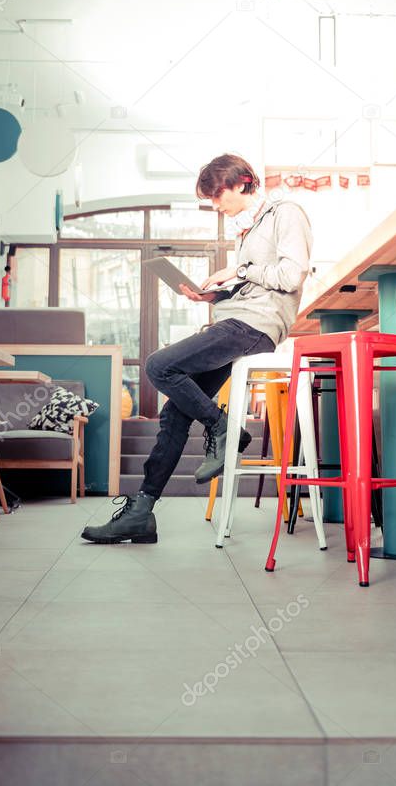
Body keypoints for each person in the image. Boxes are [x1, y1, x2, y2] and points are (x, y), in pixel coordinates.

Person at [81, 153, 313, 545]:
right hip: (236, 320)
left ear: (242, 182)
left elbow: (291, 276)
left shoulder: (285, 212)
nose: (215, 205)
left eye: (218, 195)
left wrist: (237, 271)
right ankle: (141, 512)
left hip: (257, 325)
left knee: (158, 366)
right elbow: (255, 283)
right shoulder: (248, 228)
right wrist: (213, 293)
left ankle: (225, 430)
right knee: (174, 413)